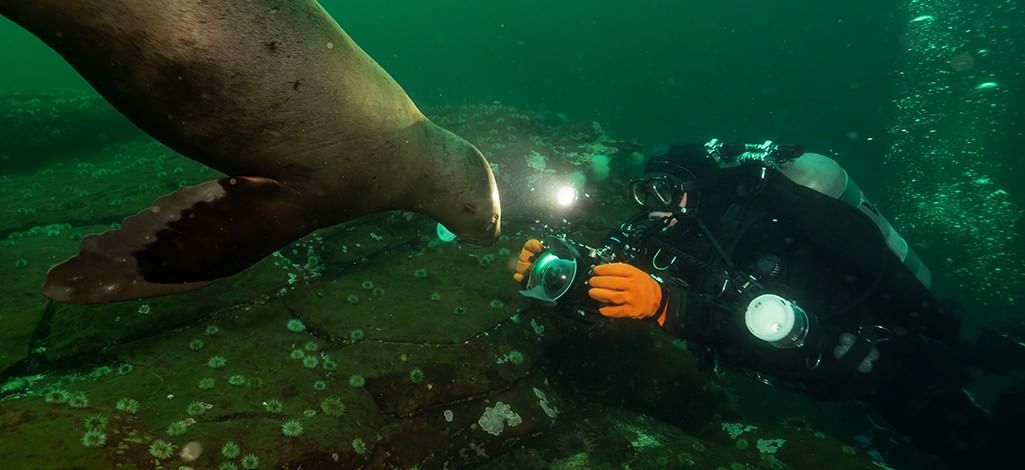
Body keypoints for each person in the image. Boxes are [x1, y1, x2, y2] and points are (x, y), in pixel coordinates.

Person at [513, 142, 1020, 469]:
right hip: (841, 379)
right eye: (644, 193)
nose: (654, 207)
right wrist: (566, 278)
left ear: (701, 191)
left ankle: (993, 356)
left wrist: (670, 306)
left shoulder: (758, 235)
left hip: (881, 353)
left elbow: (777, 331)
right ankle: (985, 352)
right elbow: (618, 290)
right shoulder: (673, 236)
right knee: (950, 390)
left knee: (970, 442)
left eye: (666, 190)